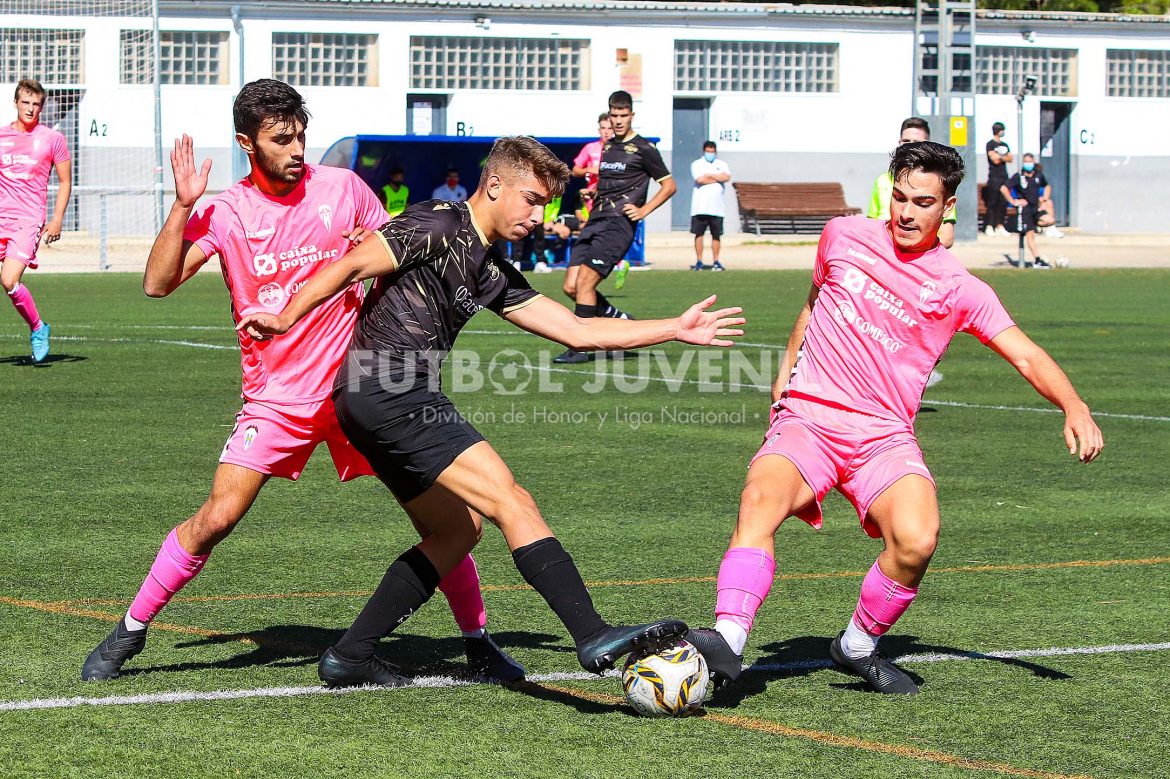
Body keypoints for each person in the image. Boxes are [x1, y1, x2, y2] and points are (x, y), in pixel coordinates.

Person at [235, 135, 745, 688]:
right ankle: (591, 631)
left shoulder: (489, 268)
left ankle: (350, 654)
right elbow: (353, 264)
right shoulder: (438, 222)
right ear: (495, 185)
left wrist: (674, 328)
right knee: (512, 500)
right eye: (531, 199)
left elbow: (575, 331)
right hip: (389, 392)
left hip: (374, 400)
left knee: (457, 531)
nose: (538, 216)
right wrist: (285, 316)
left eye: (545, 205)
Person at [81, 79, 519, 684]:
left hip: (360, 392)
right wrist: (182, 207)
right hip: (277, 399)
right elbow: (157, 283)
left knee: (446, 523)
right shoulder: (227, 212)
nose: (296, 150)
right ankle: (130, 629)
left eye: (300, 136)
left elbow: (396, 251)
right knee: (217, 517)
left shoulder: (343, 189)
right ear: (247, 143)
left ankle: (477, 642)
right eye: (280, 139)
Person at [685, 141, 1103, 695]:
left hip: (883, 437)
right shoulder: (842, 235)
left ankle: (857, 645)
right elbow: (814, 300)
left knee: (917, 539)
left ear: (947, 206)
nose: (906, 212)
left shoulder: (961, 289)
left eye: (922, 203)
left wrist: (1074, 405)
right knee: (760, 500)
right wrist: (787, 368)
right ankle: (728, 640)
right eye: (900, 197)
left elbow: (1024, 354)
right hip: (810, 419)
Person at [556, 90, 677, 364]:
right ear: (609, 116)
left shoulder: (645, 148)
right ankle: (617, 318)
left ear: (632, 115)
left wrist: (644, 210)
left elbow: (669, 185)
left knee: (585, 282)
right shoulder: (609, 146)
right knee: (571, 286)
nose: (619, 120)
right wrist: (592, 193)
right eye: (614, 115)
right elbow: (610, 183)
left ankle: (581, 348)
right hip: (594, 220)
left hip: (618, 226)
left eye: (623, 115)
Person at [867, 118, 948, 388]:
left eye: (916, 141)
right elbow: (871, 225)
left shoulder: (936, 186)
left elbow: (947, 235)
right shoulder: (883, 181)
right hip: (881, 270)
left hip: (916, 274)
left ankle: (909, 376)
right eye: (905, 141)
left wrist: (912, 243)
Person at [0, 78, 71, 364]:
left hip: (27, 222)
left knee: (8, 279)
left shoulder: (53, 139)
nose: (30, 109)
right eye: (26, 102)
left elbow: (65, 181)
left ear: (42, 107)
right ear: (16, 103)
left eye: (36, 104)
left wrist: (57, 219)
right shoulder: (1, 137)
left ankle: (38, 328)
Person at [1000, 153, 1054, 269]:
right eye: (1026, 161)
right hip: (1025, 210)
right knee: (1030, 236)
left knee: (1050, 220)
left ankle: (1035, 224)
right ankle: (1038, 260)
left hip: (1036, 208)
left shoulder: (1038, 175)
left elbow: (1047, 186)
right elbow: (1004, 188)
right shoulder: (1019, 176)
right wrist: (1014, 201)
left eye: (1030, 161)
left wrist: (1044, 199)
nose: (1028, 164)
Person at [690, 140, 731, 271]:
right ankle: (699, 261)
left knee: (716, 235)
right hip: (700, 207)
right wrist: (717, 178)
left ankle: (716, 261)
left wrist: (710, 175)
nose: (710, 154)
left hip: (717, 207)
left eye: (712, 152)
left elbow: (726, 177)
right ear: (704, 151)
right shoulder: (697, 164)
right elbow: (700, 179)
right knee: (699, 234)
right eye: (708, 151)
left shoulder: (722, 164)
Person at [571, 111, 614, 197]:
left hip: (613, 196)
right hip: (592, 198)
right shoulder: (590, 148)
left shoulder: (619, 148)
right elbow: (574, 172)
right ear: (599, 130)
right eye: (603, 128)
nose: (606, 132)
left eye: (609, 128)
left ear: (614, 130)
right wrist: (589, 169)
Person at [984, 122, 1012, 236]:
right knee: (992, 202)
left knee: (1002, 202)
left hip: (1004, 176)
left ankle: (1000, 225)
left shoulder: (1005, 144)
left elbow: (1010, 158)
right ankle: (990, 226)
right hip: (994, 177)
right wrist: (1003, 157)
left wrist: (1000, 156)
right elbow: (994, 160)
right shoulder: (990, 144)